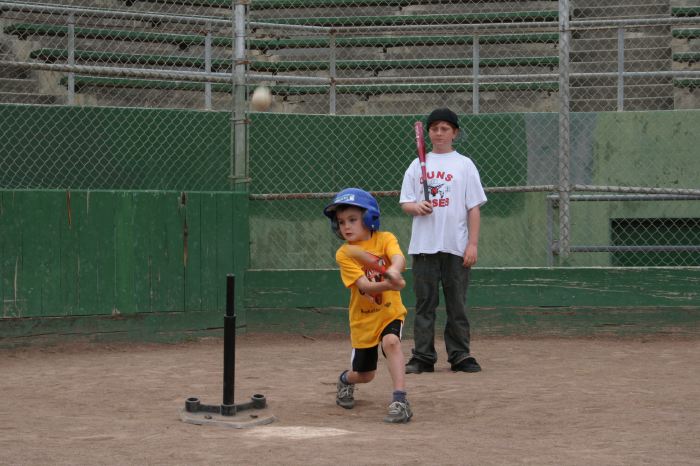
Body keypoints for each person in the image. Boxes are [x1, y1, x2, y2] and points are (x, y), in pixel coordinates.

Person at [399, 107, 487, 374]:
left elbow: (473, 207)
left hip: (456, 246)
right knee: (425, 304)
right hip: (424, 247)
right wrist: (417, 207)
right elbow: (405, 202)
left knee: (456, 304)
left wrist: (472, 244)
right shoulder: (417, 165)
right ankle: (423, 356)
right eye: (434, 128)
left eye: (445, 128)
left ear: (454, 133)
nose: (439, 133)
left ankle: (460, 355)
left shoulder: (464, 165)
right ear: (428, 133)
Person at [323, 187, 413, 423]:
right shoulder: (345, 253)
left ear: (370, 218)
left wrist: (394, 271)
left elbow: (398, 258)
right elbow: (365, 286)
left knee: (391, 342)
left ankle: (400, 400)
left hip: (389, 312)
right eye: (341, 222)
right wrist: (389, 284)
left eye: (353, 219)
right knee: (365, 375)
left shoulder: (385, 239)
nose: (346, 226)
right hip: (363, 319)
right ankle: (345, 379)